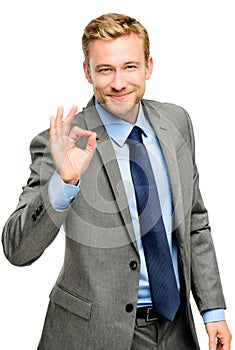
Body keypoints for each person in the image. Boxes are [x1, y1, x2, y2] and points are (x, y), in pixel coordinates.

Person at [2, 12, 232, 350]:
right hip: (93, 334)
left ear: (148, 66)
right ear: (87, 72)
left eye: (130, 67)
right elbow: (17, 250)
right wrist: (65, 182)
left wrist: (213, 311)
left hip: (177, 332)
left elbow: (195, 223)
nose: (119, 83)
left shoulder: (176, 122)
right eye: (106, 69)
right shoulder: (63, 142)